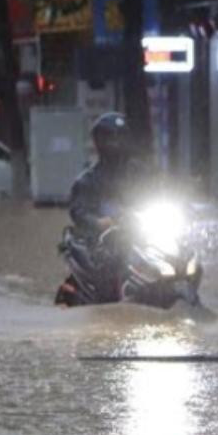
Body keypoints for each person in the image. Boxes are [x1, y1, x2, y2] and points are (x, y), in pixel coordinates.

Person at [55, 112, 137, 306]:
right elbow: (78, 212)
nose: (116, 143)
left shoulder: (137, 174)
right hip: (103, 243)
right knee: (112, 268)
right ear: (100, 141)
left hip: (138, 236)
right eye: (111, 137)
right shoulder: (88, 180)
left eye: (120, 136)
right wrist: (100, 222)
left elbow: (156, 195)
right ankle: (114, 305)